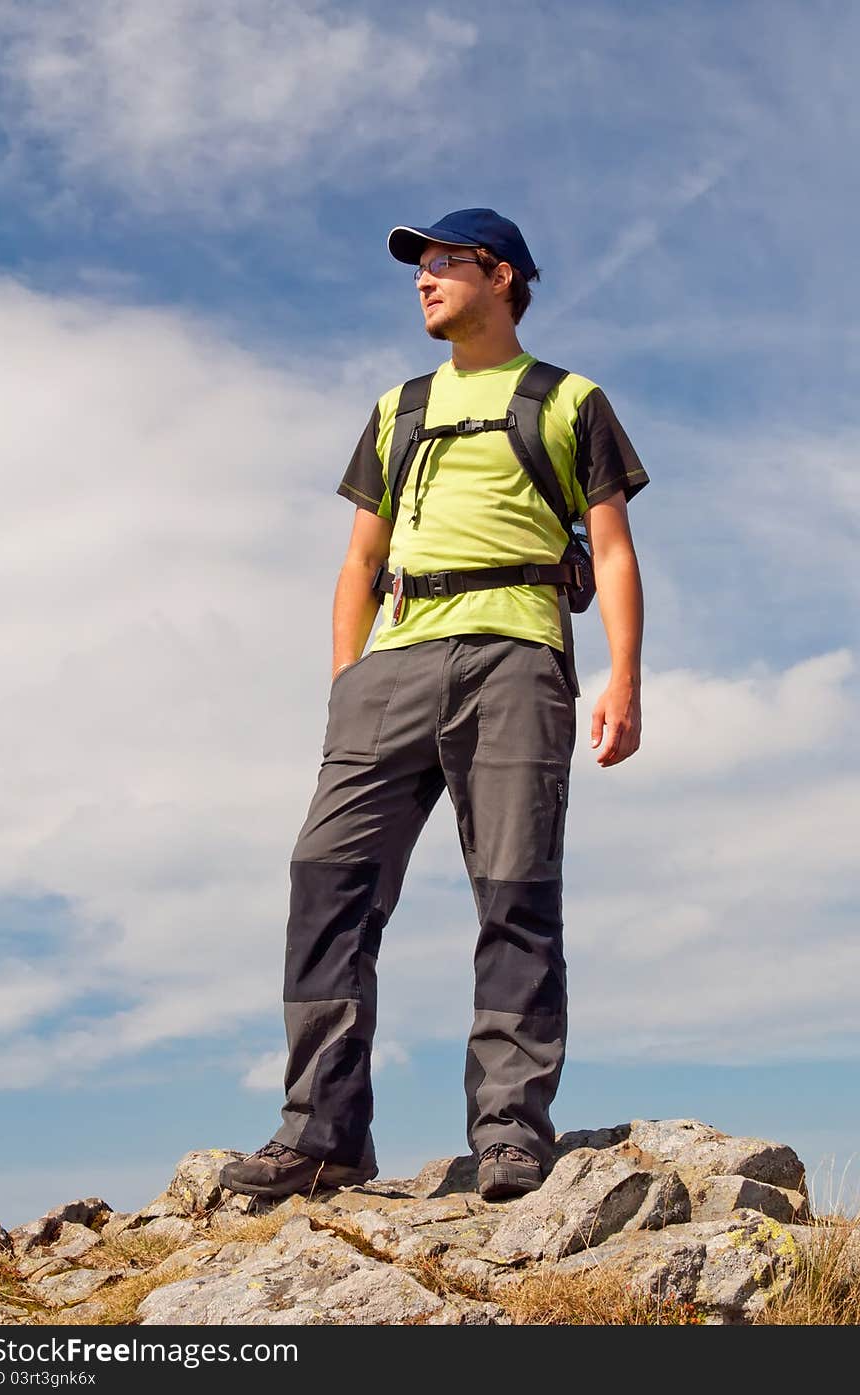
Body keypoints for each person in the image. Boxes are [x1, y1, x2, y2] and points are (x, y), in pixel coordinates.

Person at [220, 208, 649, 1204]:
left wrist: (623, 678)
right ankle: (321, 1133)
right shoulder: (394, 408)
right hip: (391, 665)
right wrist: (347, 680)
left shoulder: (570, 399)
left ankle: (507, 1132)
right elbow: (359, 559)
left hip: (517, 656)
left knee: (513, 892)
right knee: (325, 883)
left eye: (442, 262)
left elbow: (614, 549)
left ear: (498, 275)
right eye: (417, 267)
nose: (421, 279)